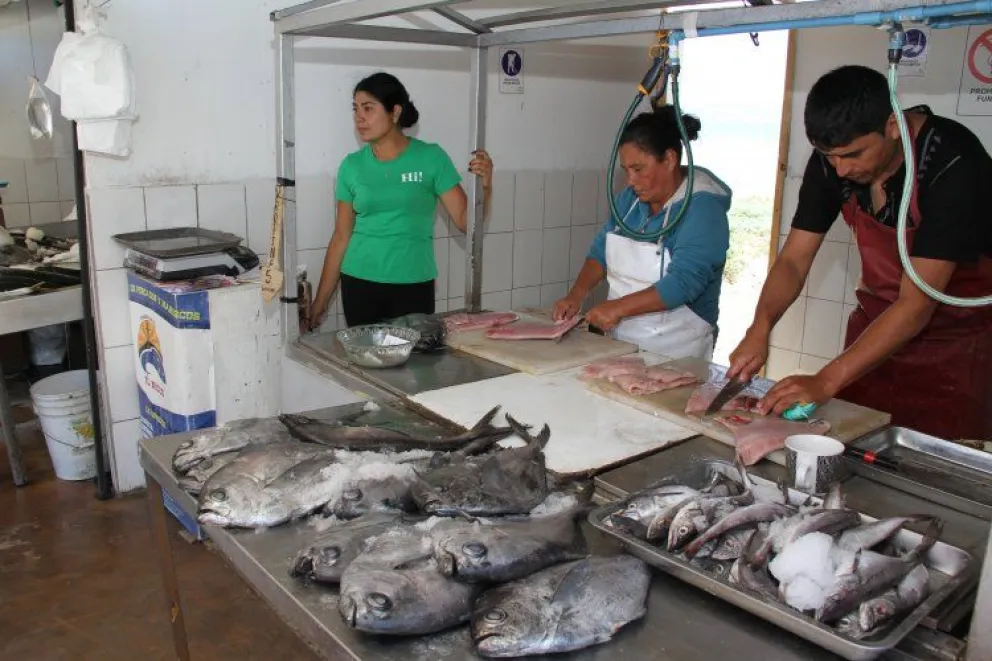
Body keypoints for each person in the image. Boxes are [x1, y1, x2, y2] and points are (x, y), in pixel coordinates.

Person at [729, 64, 992, 440]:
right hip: (874, 339)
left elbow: (916, 305)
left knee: (927, 473)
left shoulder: (952, 161)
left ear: (891, 126)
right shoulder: (834, 158)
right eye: (830, 156)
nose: (839, 169)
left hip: (956, 349)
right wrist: (761, 326)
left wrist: (825, 379)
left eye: (852, 155)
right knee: (854, 449)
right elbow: (793, 259)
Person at [309, 72, 494, 329]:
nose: (359, 117)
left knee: (415, 363)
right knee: (366, 365)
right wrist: (319, 302)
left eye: (368, 108)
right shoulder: (351, 167)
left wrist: (485, 187)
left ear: (394, 112)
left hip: (413, 285)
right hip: (359, 283)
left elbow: (466, 222)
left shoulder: (431, 158)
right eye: (356, 109)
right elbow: (341, 237)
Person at [552, 105, 732, 360]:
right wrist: (576, 295)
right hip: (619, 345)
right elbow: (601, 252)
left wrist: (619, 308)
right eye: (626, 171)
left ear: (669, 160)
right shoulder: (630, 200)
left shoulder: (703, 208)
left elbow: (685, 282)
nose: (631, 181)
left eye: (639, 169)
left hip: (677, 353)